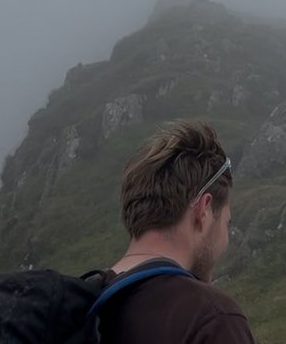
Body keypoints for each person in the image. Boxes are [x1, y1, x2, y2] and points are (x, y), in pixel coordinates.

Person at [99, 121, 256, 344]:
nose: (225, 240)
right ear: (204, 210)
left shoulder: (74, 309)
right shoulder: (211, 318)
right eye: (226, 223)